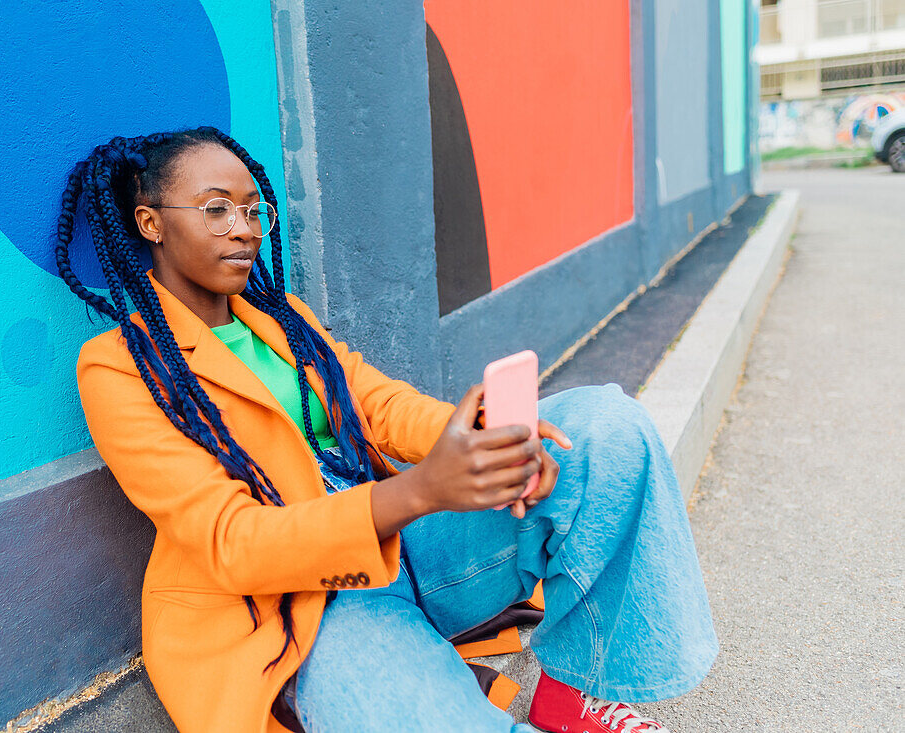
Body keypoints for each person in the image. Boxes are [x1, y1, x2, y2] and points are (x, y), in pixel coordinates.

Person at [55, 127, 718, 733]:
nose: (244, 228)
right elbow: (234, 544)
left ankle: (573, 693)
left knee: (606, 428)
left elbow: (378, 404)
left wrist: (488, 443)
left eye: (255, 209)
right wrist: (424, 490)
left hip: (411, 546)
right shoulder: (118, 366)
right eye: (216, 208)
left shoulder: (279, 317)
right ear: (150, 223)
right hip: (303, 609)